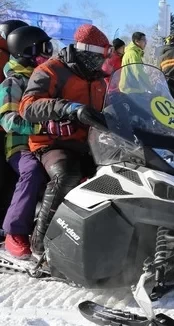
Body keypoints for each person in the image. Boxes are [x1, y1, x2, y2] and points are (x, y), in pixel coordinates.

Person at [19, 24, 110, 255]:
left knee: (120, 174)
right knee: (66, 175)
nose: (100, 62)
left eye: (104, 57)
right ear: (83, 51)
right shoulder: (52, 70)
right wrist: (68, 108)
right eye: (97, 57)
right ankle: (41, 244)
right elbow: (27, 107)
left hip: (90, 143)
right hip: (52, 142)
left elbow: (109, 106)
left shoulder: (100, 79)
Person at [0, 26, 52, 259]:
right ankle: (14, 231)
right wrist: (40, 126)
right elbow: (7, 120)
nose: (48, 54)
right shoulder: (13, 82)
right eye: (44, 49)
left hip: (45, 142)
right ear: (26, 51)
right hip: (20, 146)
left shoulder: (44, 77)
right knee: (32, 170)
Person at [0, 19, 29, 238]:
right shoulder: (13, 66)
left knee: (9, 178)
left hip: (12, 128)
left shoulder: (21, 63)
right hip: (10, 124)